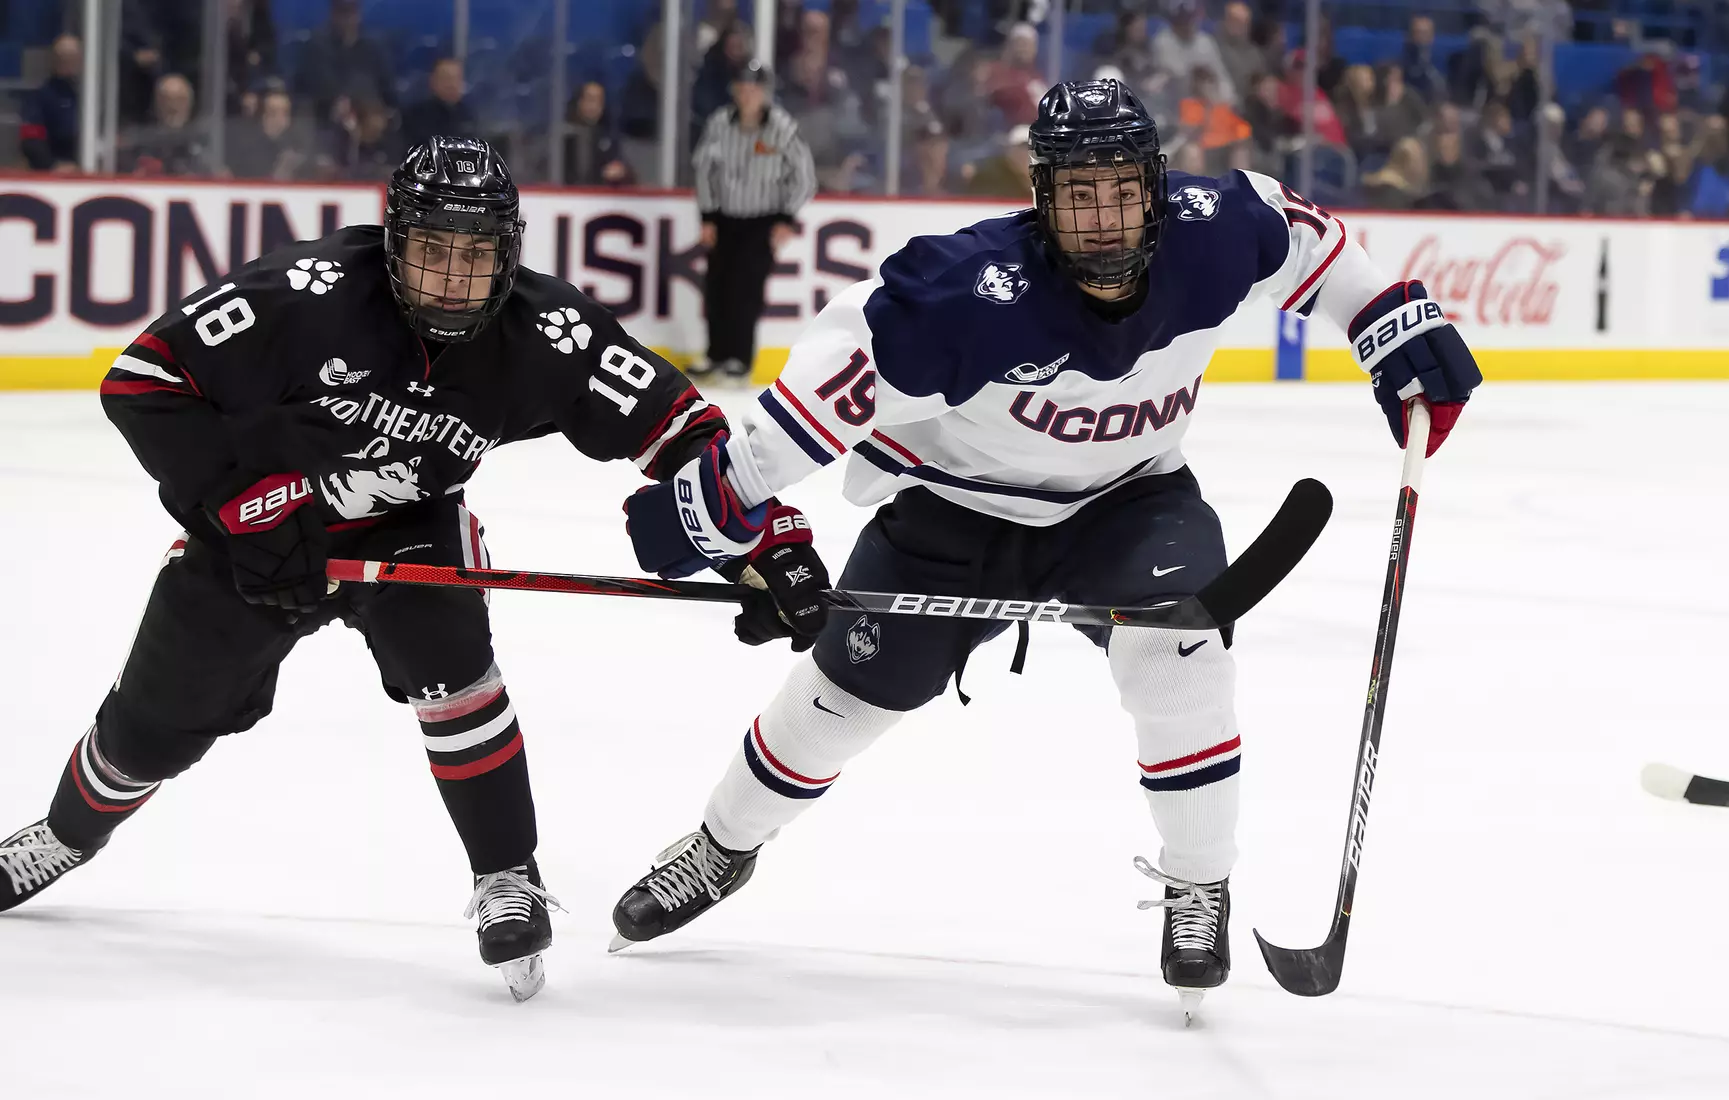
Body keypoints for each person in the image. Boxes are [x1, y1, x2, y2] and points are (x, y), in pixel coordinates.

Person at [606, 80, 1482, 1015]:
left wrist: (1392, 318)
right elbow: (811, 413)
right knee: (839, 704)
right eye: (1076, 194)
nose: (1102, 220)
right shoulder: (958, 297)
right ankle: (720, 846)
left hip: (1131, 503)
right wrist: (716, 500)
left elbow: (1320, 248)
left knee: (1179, 652)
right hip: (953, 515)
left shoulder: (1217, 227)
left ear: (1153, 186)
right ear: (1041, 196)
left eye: (1119, 190)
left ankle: (1198, 884)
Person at [0, 137, 831, 1002]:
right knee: (152, 724)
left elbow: (682, 428)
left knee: (457, 677)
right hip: (255, 524)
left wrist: (765, 539)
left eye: (474, 257)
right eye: (431, 252)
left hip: (408, 528)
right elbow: (142, 379)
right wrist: (248, 508)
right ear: (392, 241)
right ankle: (65, 833)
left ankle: (506, 875)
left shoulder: (547, 331)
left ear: (510, 253)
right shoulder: (305, 291)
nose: (450, 280)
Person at [691, 60, 816, 380]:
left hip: (762, 220)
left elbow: (803, 177)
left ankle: (739, 359)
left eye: (753, 89)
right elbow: (705, 169)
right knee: (717, 287)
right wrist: (707, 215)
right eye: (742, 88)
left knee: (746, 289)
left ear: (764, 92)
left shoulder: (782, 128)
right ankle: (715, 354)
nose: (747, 95)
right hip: (725, 219)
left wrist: (786, 217)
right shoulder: (720, 123)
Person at [19, 33, 81, 173]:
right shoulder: (41, 96)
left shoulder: (91, 95)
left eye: (73, 56)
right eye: (63, 57)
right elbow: (31, 140)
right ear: (54, 59)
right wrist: (53, 166)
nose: (68, 62)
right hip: (55, 173)